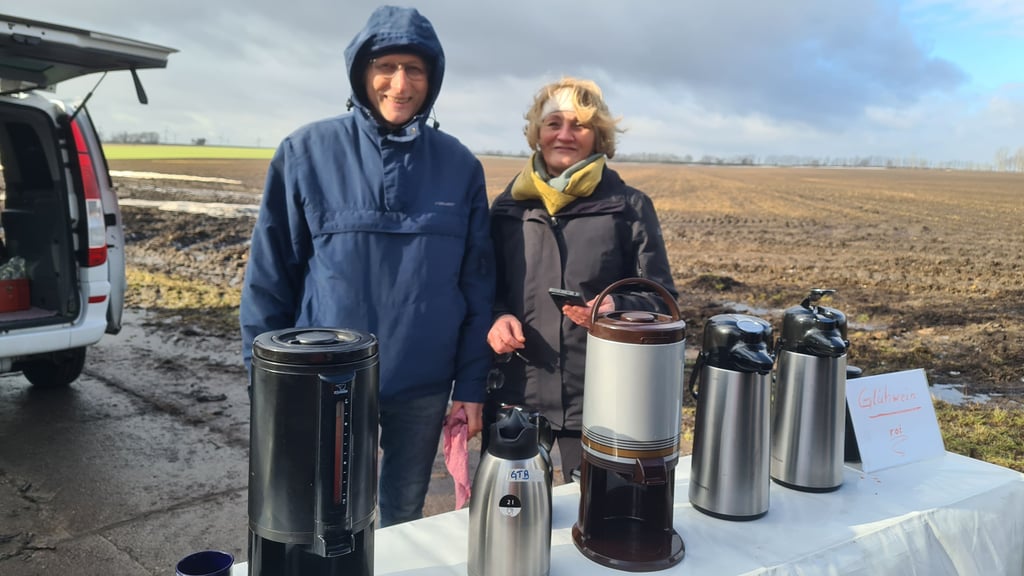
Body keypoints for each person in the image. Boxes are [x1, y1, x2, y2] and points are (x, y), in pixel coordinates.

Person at [239, 5, 494, 527]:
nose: (400, 84)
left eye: (414, 69)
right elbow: (269, 279)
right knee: (327, 519)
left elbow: (477, 286)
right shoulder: (305, 153)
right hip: (326, 381)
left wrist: (470, 387)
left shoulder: (460, 166)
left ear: (433, 79)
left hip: (424, 386)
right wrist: (264, 382)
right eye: (386, 67)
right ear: (361, 72)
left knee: (404, 515)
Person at [486, 77, 678, 483]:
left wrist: (616, 307)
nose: (565, 135)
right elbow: (486, 289)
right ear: (537, 132)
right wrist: (498, 317)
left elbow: (662, 300)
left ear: (599, 136)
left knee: (596, 510)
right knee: (514, 509)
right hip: (518, 393)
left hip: (602, 397)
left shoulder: (630, 207)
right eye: (554, 123)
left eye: (580, 125)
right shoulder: (507, 208)